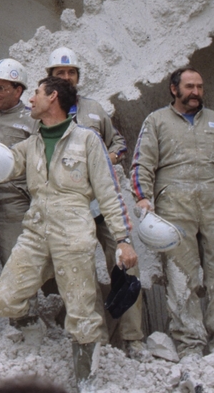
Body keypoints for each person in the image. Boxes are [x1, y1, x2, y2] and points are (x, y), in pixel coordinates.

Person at [0, 77, 136, 385]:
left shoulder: (86, 141)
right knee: (3, 298)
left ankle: (87, 380)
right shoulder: (31, 144)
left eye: (36, 93)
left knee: (82, 313)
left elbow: (109, 193)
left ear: (53, 97)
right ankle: (34, 329)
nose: (30, 100)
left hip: (72, 232)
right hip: (36, 231)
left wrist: (123, 240)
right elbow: (1, 163)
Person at [131, 67, 214, 358]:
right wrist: (143, 199)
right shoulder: (157, 121)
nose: (196, 92)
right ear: (174, 89)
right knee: (181, 280)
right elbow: (142, 164)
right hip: (175, 209)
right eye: (189, 87)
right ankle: (190, 345)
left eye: (199, 87)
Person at [46, 46, 144, 356]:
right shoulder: (43, 113)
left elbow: (118, 143)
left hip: (102, 206)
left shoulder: (94, 109)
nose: (66, 77)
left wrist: (106, 158)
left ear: (77, 77)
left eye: (71, 73)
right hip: (70, 210)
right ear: (49, 78)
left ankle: (133, 338)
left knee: (125, 266)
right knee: (81, 273)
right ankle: (96, 340)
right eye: (60, 73)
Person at [0, 59, 36, 266]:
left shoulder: (32, 119)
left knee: (16, 264)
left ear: (18, 91)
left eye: (1, 88)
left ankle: (26, 301)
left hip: (13, 200)